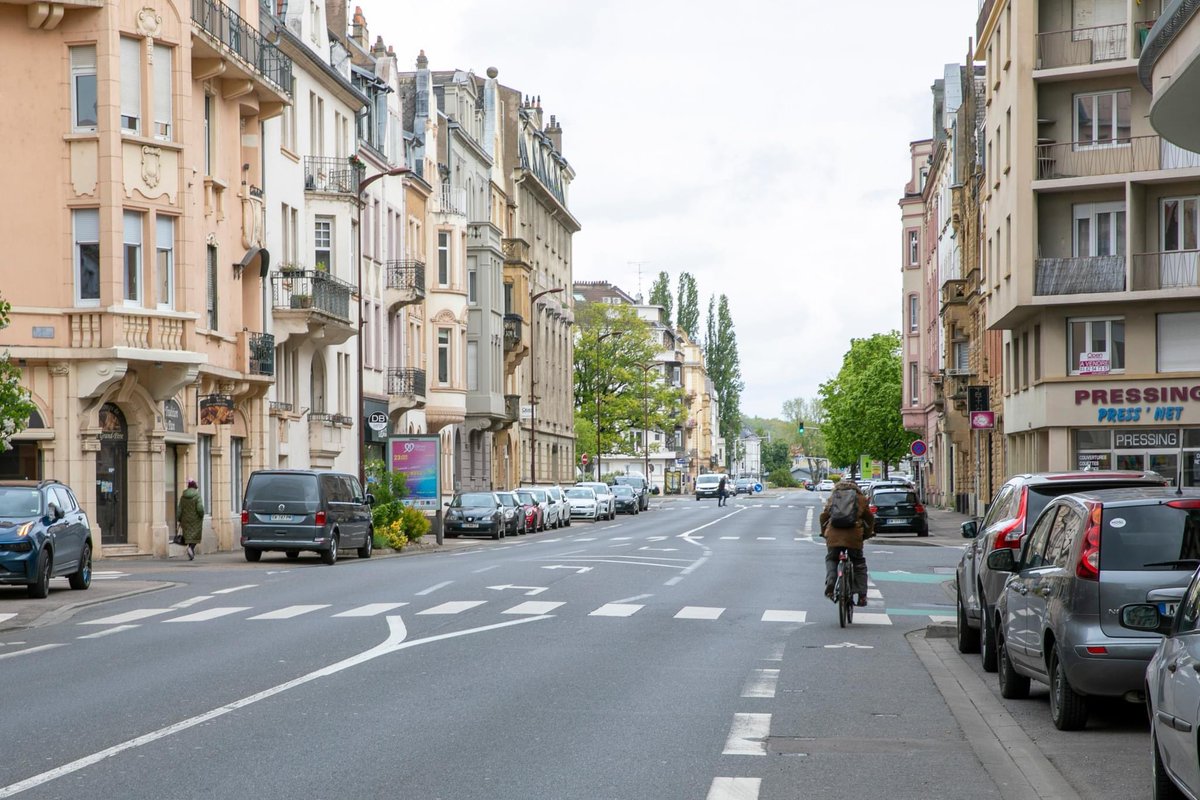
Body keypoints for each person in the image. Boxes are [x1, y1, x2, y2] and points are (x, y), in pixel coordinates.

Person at [819, 477, 875, 607]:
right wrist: (867, 534)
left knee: (832, 559)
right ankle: (862, 596)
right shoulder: (860, 499)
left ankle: (831, 581)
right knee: (859, 563)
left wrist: (824, 532)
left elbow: (823, 516)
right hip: (854, 536)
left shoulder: (834, 497)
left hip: (834, 535)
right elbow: (870, 519)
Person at [176, 478, 205, 561]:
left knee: (188, 535)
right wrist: (201, 515)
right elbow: (200, 508)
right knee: (195, 535)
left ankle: (190, 549)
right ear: (195, 486)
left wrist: (179, 518)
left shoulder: (183, 496)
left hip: (185, 520)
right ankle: (191, 548)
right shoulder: (197, 496)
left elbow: (179, 509)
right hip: (195, 520)